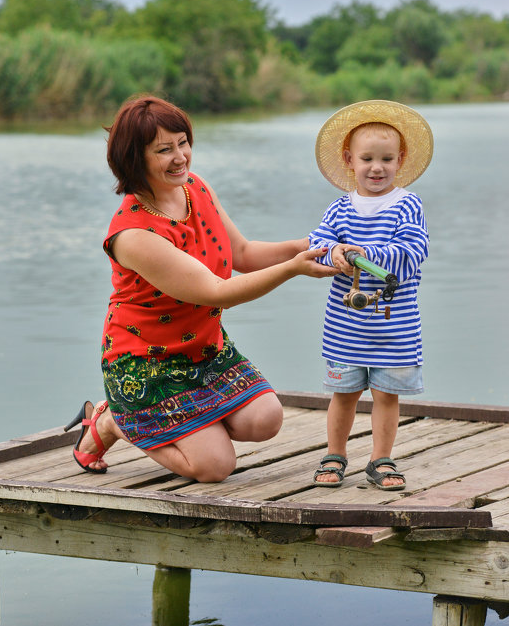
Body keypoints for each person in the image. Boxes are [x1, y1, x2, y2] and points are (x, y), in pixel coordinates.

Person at [65, 95, 337, 483]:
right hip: (145, 362)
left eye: (183, 143)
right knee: (214, 467)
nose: (181, 157)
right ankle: (115, 422)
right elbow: (216, 291)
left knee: (266, 418)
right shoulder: (134, 234)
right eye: (164, 150)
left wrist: (313, 246)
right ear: (133, 159)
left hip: (204, 347)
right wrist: (294, 269)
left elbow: (243, 252)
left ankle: (181, 424)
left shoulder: (195, 188)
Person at [308, 100, 433, 490]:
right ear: (349, 159)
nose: (376, 168)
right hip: (346, 324)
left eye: (386, 159)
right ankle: (335, 454)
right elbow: (318, 241)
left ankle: (381, 459)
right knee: (343, 395)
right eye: (367, 159)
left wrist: (368, 256)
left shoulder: (407, 205)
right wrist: (335, 253)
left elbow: (413, 253)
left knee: (386, 395)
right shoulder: (340, 208)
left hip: (393, 325)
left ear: (401, 160)